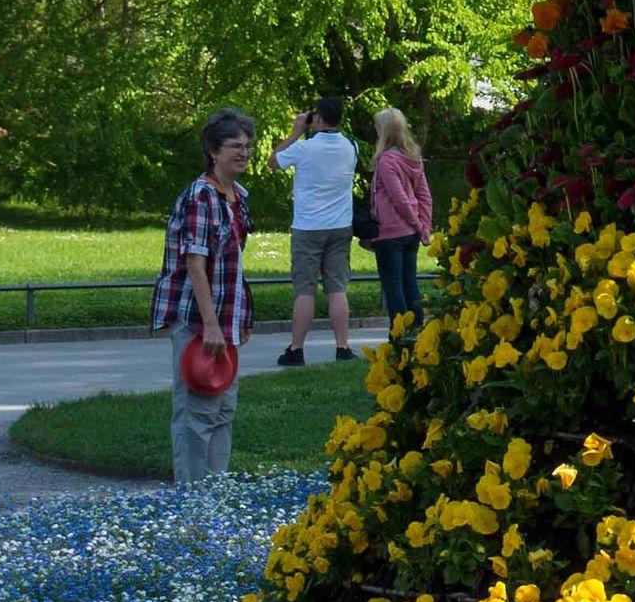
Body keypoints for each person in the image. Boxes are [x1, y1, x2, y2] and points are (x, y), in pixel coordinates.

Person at [152, 111, 256, 483]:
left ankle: (215, 495)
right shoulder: (201, 196)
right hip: (197, 318)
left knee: (223, 409)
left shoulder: (236, 197)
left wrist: (238, 320)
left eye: (247, 146)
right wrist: (211, 326)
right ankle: (192, 501)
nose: (243, 153)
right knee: (196, 413)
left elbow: (234, 265)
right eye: (234, 146)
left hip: (223, 320)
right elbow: (195, 264)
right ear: (213, 151)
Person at [276, 94, 363, 368]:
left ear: (320, 119)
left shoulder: (304, 148)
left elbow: (273, 160)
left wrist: (295, 132)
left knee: (305, 290)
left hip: (308, 227)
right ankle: (342, 347)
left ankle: (296, 349)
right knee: (337, 289)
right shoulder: (352, 146)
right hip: (340, 226)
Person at [359, 101, 435, 338]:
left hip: (391, 231)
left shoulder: (386, 161)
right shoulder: (413, 156)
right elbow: (424, 195)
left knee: (393, 285)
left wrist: (416, 224)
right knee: (410, 281)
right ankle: (417, 328)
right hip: (411, 232)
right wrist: (424, 226)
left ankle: (400, 332)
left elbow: (399, 199)